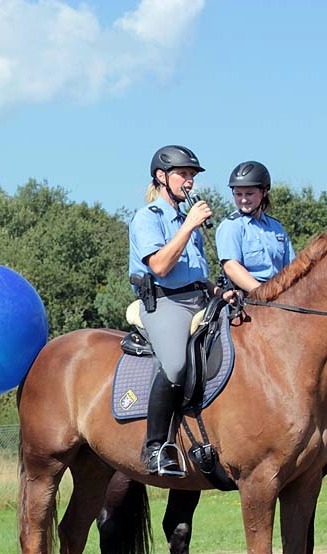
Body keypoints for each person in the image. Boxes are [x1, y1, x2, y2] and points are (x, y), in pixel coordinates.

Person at [129, 145, 232, 476]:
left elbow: (197, 275)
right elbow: (159, 265)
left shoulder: (189, 221)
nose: (190, 182)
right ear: (162, 177)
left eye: (192, 176)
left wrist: (222, 292)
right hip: (165, 303)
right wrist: (188, 226)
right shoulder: (148, 218)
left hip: (199, 298)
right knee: (175, 365)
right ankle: (156, 447)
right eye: (184, 175)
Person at [215, 161, 295, 293]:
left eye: (249, 194)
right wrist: (262, 292)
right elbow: (231, 267)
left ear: (264, 192)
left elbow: (291, 267)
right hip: (248, 296)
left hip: (281, 294)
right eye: (238, 194)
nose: (244, 199)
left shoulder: (276, 227)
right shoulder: (231, 226)